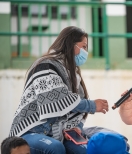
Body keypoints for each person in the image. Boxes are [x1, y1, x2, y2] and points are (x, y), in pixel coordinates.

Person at [8, 26, 109, 154]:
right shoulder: (46, 65)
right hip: (31, 131)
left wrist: (76, 127)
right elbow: (59, 99)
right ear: (71, 45)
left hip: (57, 135)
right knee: (55, 148)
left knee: (84, 150)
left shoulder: (73, 74)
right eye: (83, 46)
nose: (85, 51)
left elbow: (77, 111)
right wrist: (92, 105)